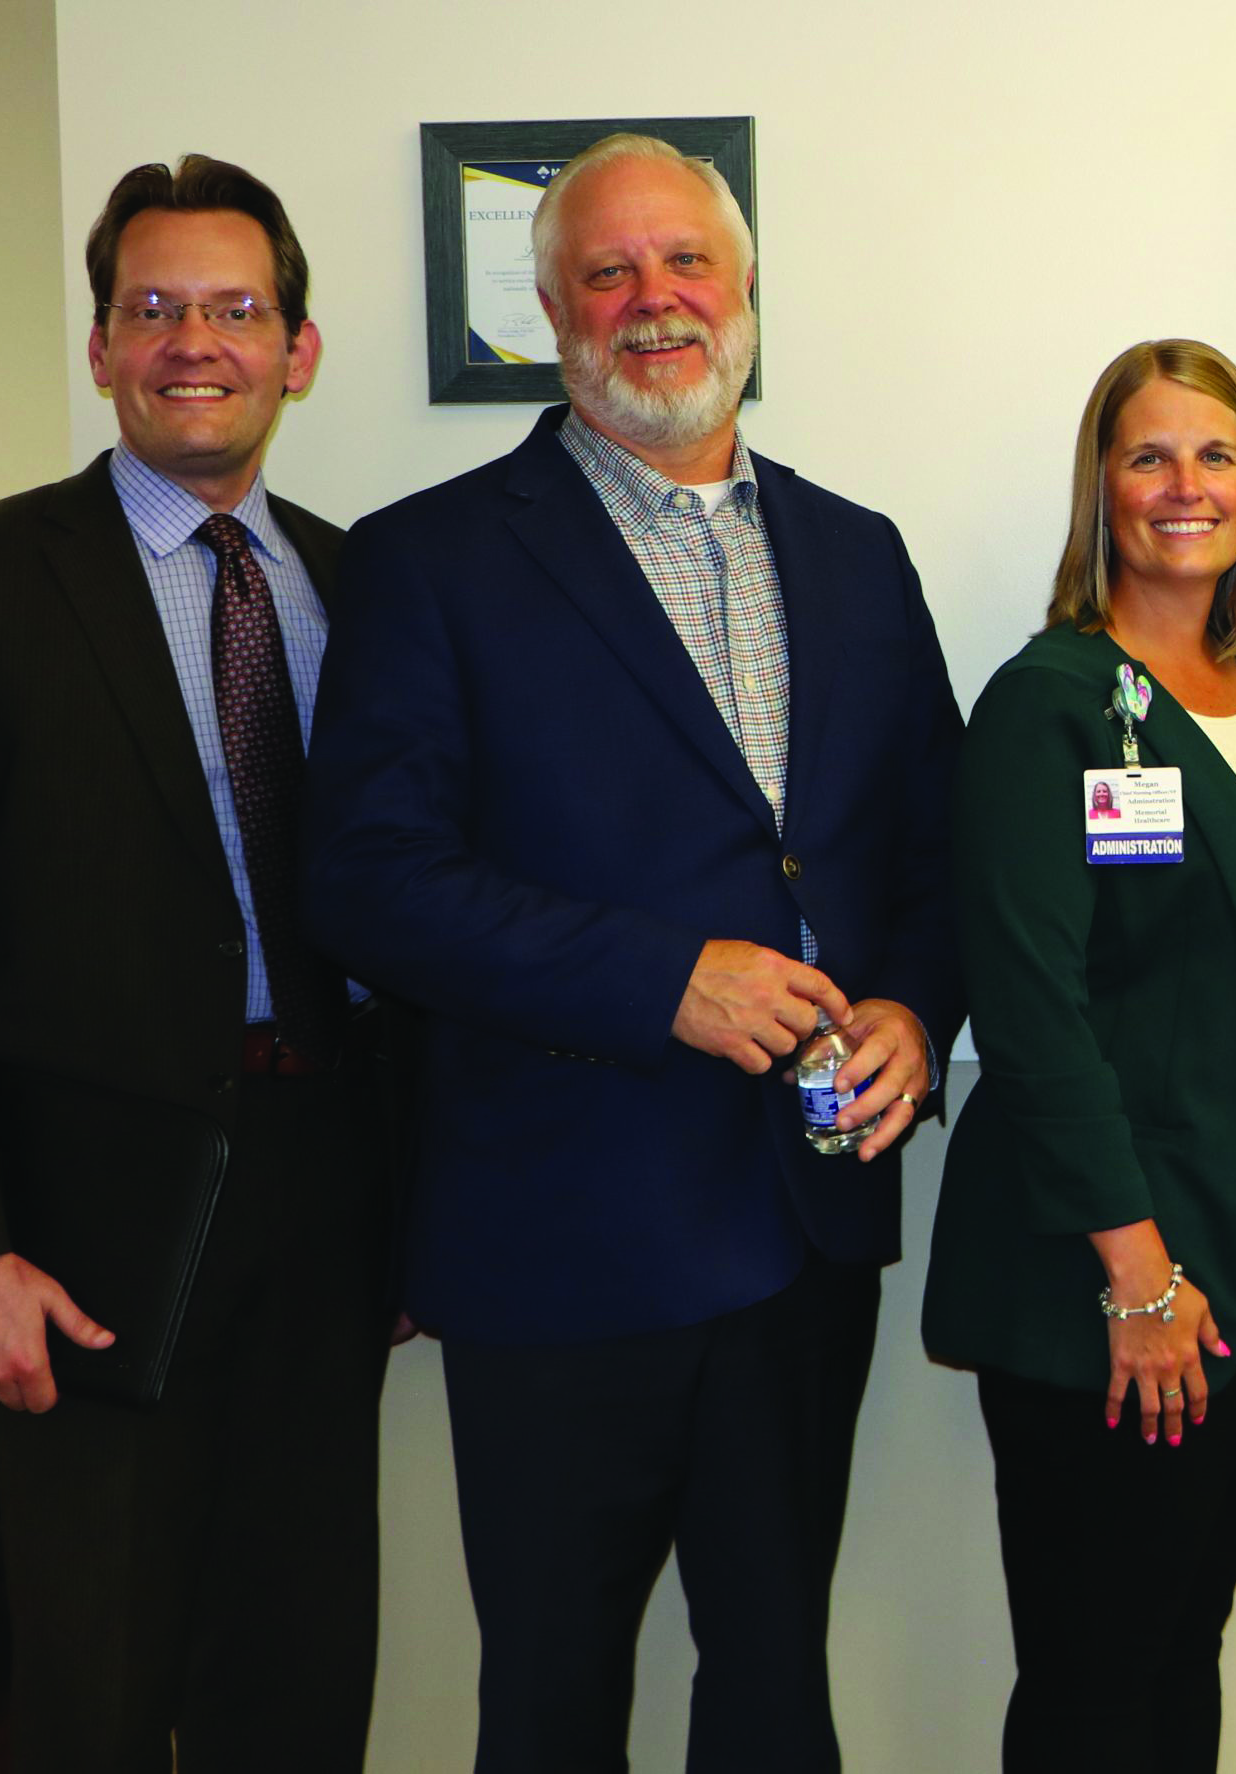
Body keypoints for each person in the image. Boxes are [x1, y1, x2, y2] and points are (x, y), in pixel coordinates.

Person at [300, 134, 962, 1771]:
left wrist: (910, 1003)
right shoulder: (430, 557)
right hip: (559, 1239)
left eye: (686, 264)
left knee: (776, 1689)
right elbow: (371, 881)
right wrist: (663, 980)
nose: (653, 300)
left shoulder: (858, 551)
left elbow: (935, 857)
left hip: (805, 1226)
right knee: (552, 1699)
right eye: (607, 272)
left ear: (747, 291)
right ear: (550, 312)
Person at [0, 156, 400, 1770]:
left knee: (301, 1675)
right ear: (101, 343)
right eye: (153, 307)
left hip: (331, 1203)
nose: (195, 341)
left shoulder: (368, 589)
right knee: (96, 1696)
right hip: (84, 1235)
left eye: (236, 309)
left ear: (298, 351)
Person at [923, 339, 1236, 1774]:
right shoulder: (1049, 705)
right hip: (1122, 1263)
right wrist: (1136, 1274)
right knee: (1096, 1675)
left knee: (1183, 1636)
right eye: (1149, 456)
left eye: (1216, 454)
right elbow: (1031, 1011)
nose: (1186, 486)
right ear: (1103, 489)